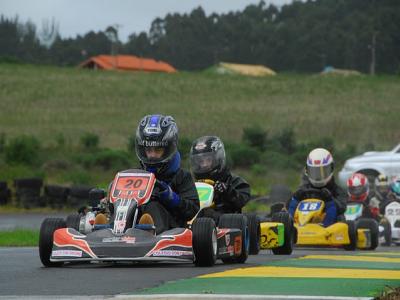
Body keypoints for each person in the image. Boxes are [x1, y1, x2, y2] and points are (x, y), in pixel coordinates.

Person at [102, 114, 199, 234]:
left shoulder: (182, 177)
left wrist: (171, 197)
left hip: (170, 229)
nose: (152, 155)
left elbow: (193, 210)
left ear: (169, 148)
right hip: (131, 228)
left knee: (152, 205)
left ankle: (150, 231)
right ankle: (107, 231)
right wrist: (111, 200)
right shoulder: (135, 175)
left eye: (157, 150)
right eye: (148, 150)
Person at [189, 135, 250, 222]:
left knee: (209, 214)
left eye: (208, 160)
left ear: (218, 159)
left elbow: (242, 199)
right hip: (197, 222)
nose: (205, 164)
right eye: (201, 161)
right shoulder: (191, 185)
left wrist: (226, 191)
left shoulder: (233, 181)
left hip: (226, 223)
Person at [287, 148, 347, 227]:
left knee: (341, 219)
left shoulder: (337, 190)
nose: (318, 177)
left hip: (328, 228)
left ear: (331, 168)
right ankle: (290, 229)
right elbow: (288, 207)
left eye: (323, 172)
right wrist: (296, 196)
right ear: (307, 171)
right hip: (301, 226)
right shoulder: (304, 190)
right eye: (315, 172)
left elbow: (342, 208)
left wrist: (329, 198)